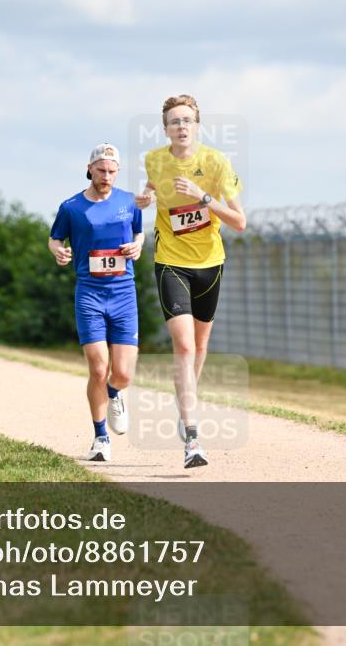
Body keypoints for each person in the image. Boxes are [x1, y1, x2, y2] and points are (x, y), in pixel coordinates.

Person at [136, 94, 247, 469]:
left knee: (199, 347)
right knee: (183, 346)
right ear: (165, 128)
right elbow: (152, 183)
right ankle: (193, 435)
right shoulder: (154, 159)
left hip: (210, 264)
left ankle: (185, 397)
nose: (180, 126)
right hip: (170, 262)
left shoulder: (216, 162)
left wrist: (203, 198)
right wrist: (145, 196)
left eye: (187, 120)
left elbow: (239, 221)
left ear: (197, 126)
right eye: (173, 121)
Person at [49, 143, 144, 463]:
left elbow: (139, 233)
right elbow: (55, 237)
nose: (106, 176)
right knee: (98, 367)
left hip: (123, 294)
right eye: (101, 170)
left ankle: (115, 394)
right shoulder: (71, 207)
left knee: (124, 374)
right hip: (89, 294)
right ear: (89, 169)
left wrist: (137, 247)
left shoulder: (129, 202)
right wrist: (58, 251)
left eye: (112, 172)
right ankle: (100, 437)